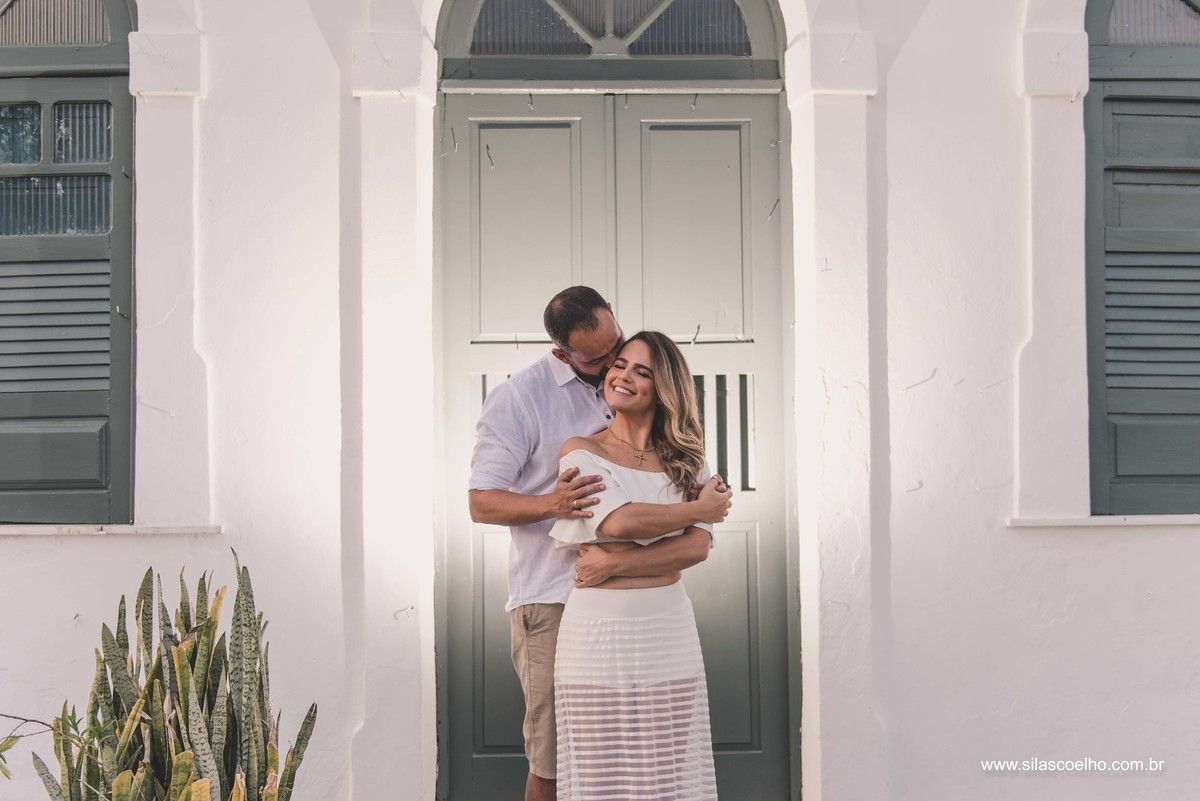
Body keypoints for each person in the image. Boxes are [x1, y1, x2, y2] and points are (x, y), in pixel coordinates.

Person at [468, 287, 732, 801]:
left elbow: (694, 546)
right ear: (564, 353)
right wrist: (555, 505)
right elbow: (482, 503)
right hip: (552, 597)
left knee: (654, 760)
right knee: (556, 762)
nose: (616, 365)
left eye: (624, 352)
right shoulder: (522, 399)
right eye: (604, 359)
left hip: (644, 612)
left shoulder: (670, 439)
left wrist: (617, 566)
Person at [550, 331, 721, 801]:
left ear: (664, 387)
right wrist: (697, 512)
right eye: (619, 365)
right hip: (597, 637)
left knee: (663, 775)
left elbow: (696, 551)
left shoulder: (689, 460)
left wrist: (614, 566)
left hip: (668, 631)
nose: (622, 376)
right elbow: (621, 520)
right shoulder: (581, 450)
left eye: (641, 371)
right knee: (601, 776)